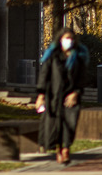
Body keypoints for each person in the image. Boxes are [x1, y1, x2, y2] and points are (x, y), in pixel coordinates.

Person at [36, 28, 88, 165]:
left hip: (71, 95)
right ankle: (60, 149)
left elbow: (82, 79)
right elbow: (44, 75)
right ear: (60, 40)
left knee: (70, 123)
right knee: (56, 124)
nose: (68, 41)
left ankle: (66, 148)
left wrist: (76, 93)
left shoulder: (78, 57)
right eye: (65, 38)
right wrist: (41, 95)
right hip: (54, 96)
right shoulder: (52, 56)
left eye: (70, 38)